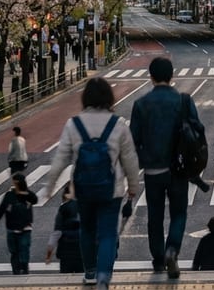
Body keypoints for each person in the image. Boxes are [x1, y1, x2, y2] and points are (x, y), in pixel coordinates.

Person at [44, 77, 140, 290]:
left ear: (85, 97)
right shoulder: (118, 125)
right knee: (107, 233)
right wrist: (133, 187)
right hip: (111, 190)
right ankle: (104, 276)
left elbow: (60, 157)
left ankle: (90, 272)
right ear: (109, 98)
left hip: (83, 189)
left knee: (86, 230)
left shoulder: (74, 124)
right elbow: (130, 159)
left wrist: (50, 186)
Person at [129, 57, 200, 278]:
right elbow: (197, 131)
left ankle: (158, 259)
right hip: (178, 169)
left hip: (153, 170)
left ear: (150, 77)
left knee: (155, 216)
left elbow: (133, 140)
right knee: (179, 213)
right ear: (172, 76)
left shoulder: (141, 105)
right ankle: (172, 249)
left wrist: (143, 160)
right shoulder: (184, 101)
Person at [0, 172, 39, 275]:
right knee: (14, 251)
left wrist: (24, 193)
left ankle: (24, 269)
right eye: (14, 183)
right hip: (11, 228)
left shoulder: (28, 195)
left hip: (25, 228)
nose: (15, 185)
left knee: (24, 248)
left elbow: (35, 200)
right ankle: (16, 271)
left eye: (16, 183)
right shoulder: (9, 195)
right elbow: (2, 208)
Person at [44, 182, 83, 273]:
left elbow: (56, 233)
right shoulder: (86, 207)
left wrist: (49, 255)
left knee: (65, 278)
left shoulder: (63, 209)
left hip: (66, 253)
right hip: (82, 252)